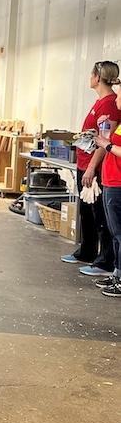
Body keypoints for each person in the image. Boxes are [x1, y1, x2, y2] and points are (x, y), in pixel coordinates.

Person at [62, 61, 120, 275]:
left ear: (97, 77)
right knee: (87, 212)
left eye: (91, 74)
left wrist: (92, 167)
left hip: (94, 167)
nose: (89, 77)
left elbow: (106, 141)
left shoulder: (109, 104)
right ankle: (87, 251)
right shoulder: (100, 102)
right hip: (85, 162)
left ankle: (105, 261)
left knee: (101, 216)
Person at [91, 84, 121, 299]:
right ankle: (117, 274)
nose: (115, 98)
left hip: (118, 184)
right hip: (111, 181)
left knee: (120, 234)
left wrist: (106, 145)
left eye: (118, 94)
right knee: (115, 234)